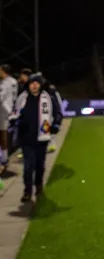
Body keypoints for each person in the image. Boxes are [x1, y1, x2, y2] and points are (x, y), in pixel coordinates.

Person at [9, 72, 61, 202]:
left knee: (39, 166)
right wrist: (15, 122)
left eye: (37, 83)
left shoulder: (48, 98)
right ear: (28, 85)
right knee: (28, 167)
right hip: (26, 138)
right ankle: (27, 191)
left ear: (41, 85)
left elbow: (57, 113)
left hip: (42, 139)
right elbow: (14, 113)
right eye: (32, 83)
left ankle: (38, 186)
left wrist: (55, 125)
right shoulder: (22, 98)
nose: (34, 85)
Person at [0, 64, 19, 169]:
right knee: (6, 134)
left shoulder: (4, 83)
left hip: (3, 111)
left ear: (4, 71)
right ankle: (5, 156)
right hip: (10, 109)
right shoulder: (14, 81)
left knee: (3, 134)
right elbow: (15, 96)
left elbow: (0, 97)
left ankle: (4, 158)